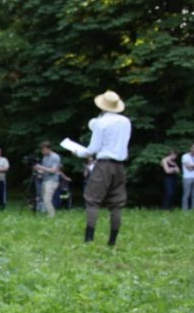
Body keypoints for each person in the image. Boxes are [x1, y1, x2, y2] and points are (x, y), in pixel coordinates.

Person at [71, 90, 131, 246]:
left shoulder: (101, 122)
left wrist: (77, 152)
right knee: (117, 204)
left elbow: (92, 149)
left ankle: (89, 239)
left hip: (104, 165)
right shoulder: (125, 122)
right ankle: (112, 241)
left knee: (92, 200)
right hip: (120, 166)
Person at [35, 141, 61, 217]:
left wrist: (41, 167)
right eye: (42, 150)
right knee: (44, 198)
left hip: (52, 180)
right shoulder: (45, 158)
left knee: (47, 199)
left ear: (49, 149)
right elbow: (45, 170)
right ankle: (49, 214)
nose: (42, 152)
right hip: (45, 180)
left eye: (44, 150)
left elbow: (53, 170)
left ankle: (51, 216)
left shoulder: (55, 157)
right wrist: (38, 170)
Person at [181, 143, 194, 210]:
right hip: (187, 177)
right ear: (191, 148)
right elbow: (188, 167)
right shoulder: (185, 156)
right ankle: (185, 210)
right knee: (186, 195)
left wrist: (192, 166)